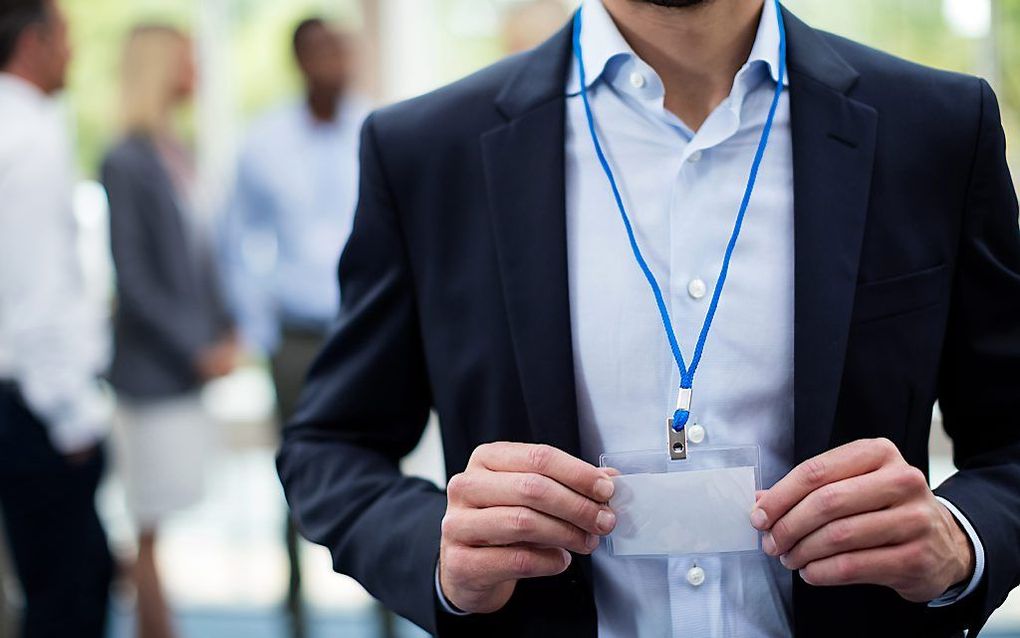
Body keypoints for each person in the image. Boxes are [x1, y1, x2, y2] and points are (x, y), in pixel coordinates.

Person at [278, 0, 1020, 636]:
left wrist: (962, 541)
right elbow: (330, 447)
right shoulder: (427, 152)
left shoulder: (938, 129)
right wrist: (435, 552)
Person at [220, 16, 368, 638]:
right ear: (299, 62)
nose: (333, 62)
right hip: (298, 337)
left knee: (375, 467)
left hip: (367, 331)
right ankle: (297, 613)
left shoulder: (377, 127)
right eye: (320, 52)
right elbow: (235, 239)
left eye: (340, 50)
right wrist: (259, 327)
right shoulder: (265, 141)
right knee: (297, 467)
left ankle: (385, 608)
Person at [101, 24, 237, 638]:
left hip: (183, 371)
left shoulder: (175, 151)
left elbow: (199, 259)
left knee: (164, 519)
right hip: (152, 374)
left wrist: (226, 328)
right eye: (186, 62)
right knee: (149, 520)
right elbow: (136, 279)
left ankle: (155, 623)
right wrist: (197, 347)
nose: (196, 73)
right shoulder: (127, 158)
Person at [0, 1, 115, 636]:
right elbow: (36, 292)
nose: (73, 54)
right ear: (35, 43)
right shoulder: (33, 133)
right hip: (37, 411)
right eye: (66, 39)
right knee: (68, 599)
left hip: (22, 402)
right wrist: (73, 418)